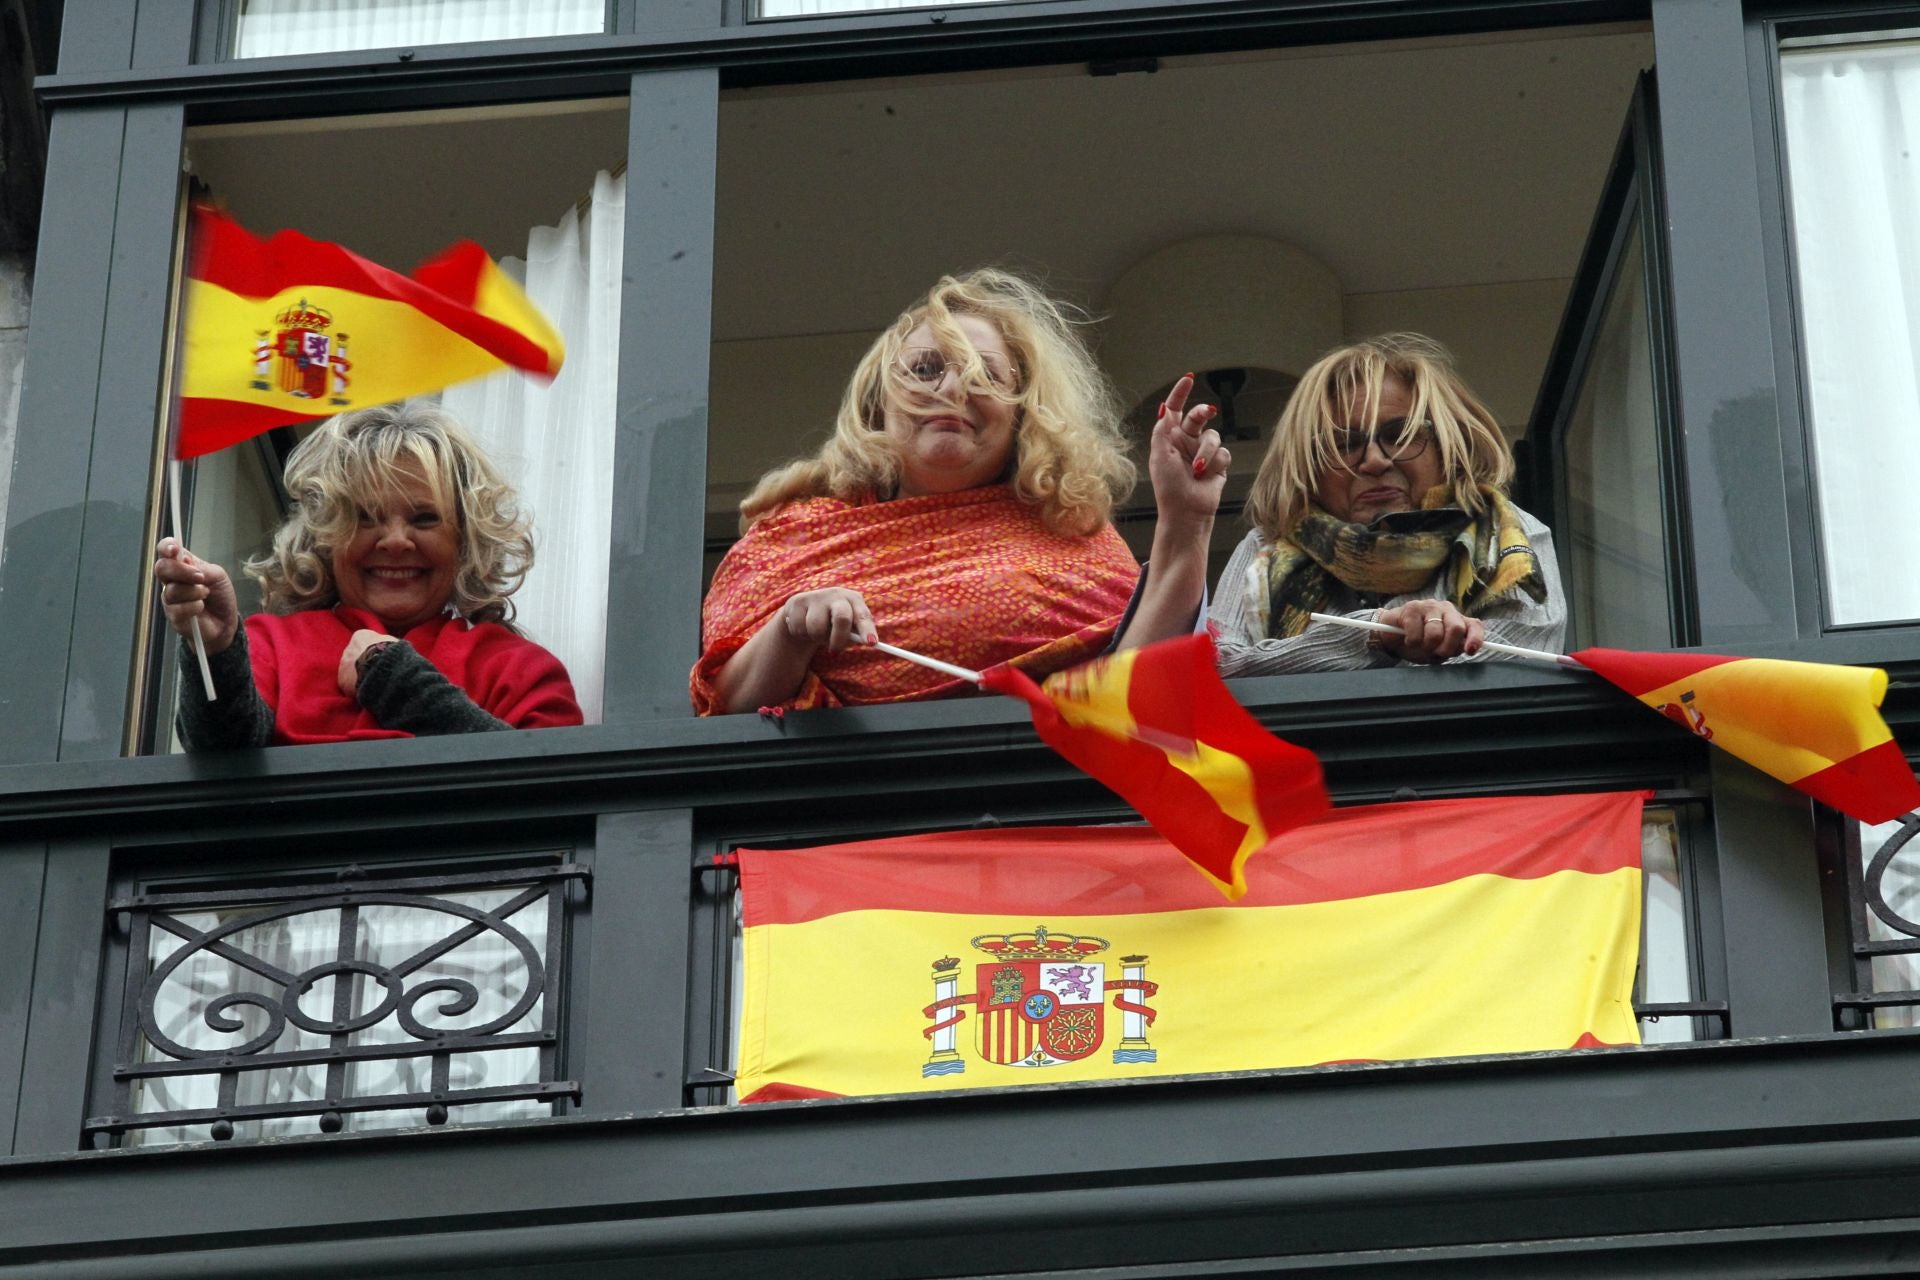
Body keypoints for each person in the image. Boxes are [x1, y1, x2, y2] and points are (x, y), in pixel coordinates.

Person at [693, 268, 1226, 714]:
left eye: (985, 377)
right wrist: (792, 629)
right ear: (879, 401)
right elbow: (721, 707)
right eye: (925, 370)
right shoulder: (792, 537)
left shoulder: (1071, 533)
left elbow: (1134, 699)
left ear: (1024, 415)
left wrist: (1186, 525)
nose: (951, 390)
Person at [154, 402, 582, 747]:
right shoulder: (270, 646)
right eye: (365, 517)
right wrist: (216, 650)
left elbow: (552, 800)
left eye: (426, 519)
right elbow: (217, 762)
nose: (395, 541)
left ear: (466, 542)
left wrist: (394, 676)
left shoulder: (520, 670)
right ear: (326, 538)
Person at [1210, 333, 1564, 674]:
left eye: (1400, 435)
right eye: (1344, 445)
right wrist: (1376, 633)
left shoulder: (1505, 536)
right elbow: (1218, 666)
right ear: (1310, 469)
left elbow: (1523, 668)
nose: (1375, 460)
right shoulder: (1265, 546)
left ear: (1446, 449)